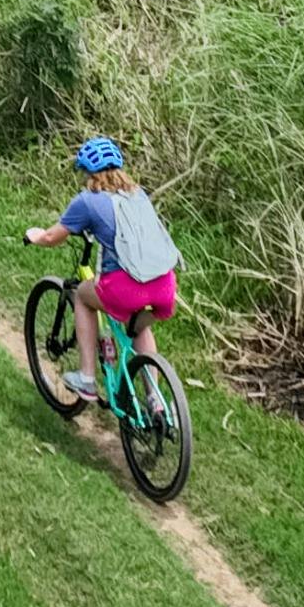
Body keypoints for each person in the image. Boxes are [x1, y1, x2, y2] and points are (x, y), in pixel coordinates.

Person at [24, 137, 181, 408]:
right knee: (138, 325)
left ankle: (86, 378)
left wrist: (35, 235)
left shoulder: (88, 200)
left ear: (87, 172)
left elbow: (52, 237)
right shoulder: (138, 194)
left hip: (125, 288)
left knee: (83, 297)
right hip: (164, 284)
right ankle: (155, 399)